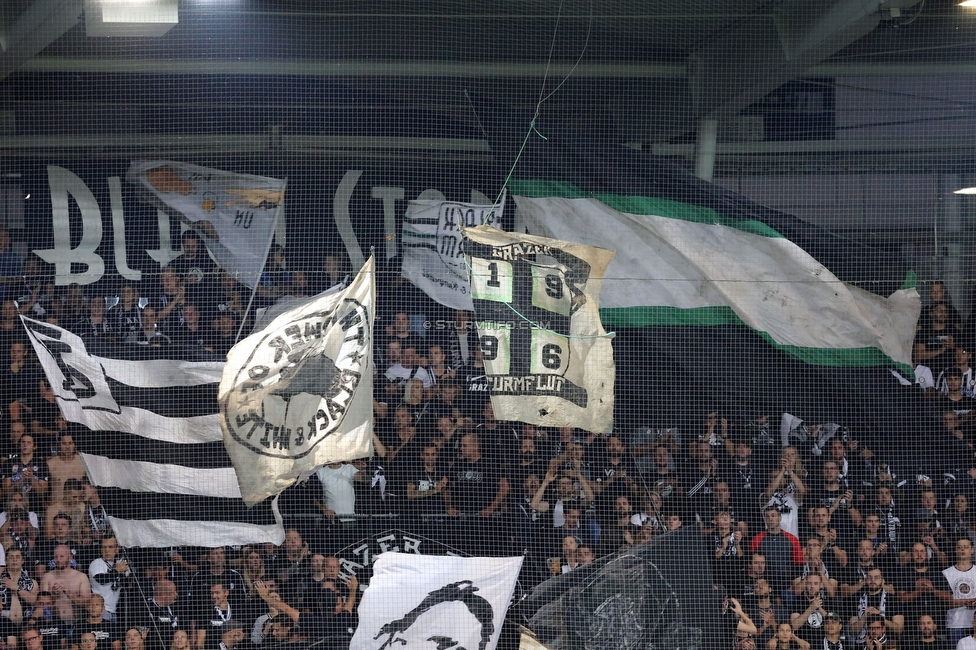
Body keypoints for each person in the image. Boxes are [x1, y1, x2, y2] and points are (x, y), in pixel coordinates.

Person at [39, 543, 91, 621]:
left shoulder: (81, 577)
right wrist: (53, 594)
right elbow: (41, 604)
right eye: (56, 557)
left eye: (62, 556)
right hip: (53, 623)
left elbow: (86, 602)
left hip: (75, 623)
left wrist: (68, 593)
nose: (58, 560)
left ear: (70, 558)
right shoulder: (47, 577)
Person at [939, 538, 976, 645]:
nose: (962, 550)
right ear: (955, 550)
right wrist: (965, 602)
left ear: (972, 550)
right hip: (955, 624)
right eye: (959, 547)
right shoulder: (946, 573)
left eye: (966, 547)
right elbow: (945, 600)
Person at [88, 536, 130, 622]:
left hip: (116, 610)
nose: (107, 550)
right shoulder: (97, 563)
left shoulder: (120, 563)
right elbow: (102, 580)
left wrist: (123, 573)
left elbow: (126, 585)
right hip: (102, 610)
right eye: (104, 547)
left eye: (110, 547)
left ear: (117, 549)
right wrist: (117, 571)